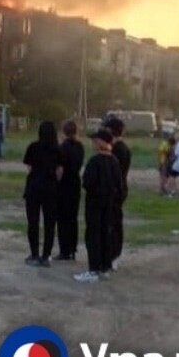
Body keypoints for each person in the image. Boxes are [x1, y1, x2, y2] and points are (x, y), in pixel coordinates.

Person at [75, 127, 123, 283]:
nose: (93, 143)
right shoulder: (114, 161)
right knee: (105, 233)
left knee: (93, 235)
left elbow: (87, 182)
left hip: (95, 202)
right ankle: (104, 266)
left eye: (95, 141)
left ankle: (94, 268)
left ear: (101, 142)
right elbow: (119, 184)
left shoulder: (95, 161)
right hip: (109, 202)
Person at [23, 120, 63, 267]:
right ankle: (46, 255)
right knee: (49, 223)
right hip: (51, 189)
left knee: (33, 222)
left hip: (34, 187)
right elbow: (60, 172)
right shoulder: (57, 150)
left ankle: (34, 254)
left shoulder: (33, 147)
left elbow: (29, 167)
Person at [55, 120, 85, 261]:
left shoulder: (62, 148)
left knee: (62, 218)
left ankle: (64, 250)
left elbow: (60, 169)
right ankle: (73, 248)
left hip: (64, 184)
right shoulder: (80, 147)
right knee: (73, 217)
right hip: (75, 182)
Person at [106, 117, 131, 269]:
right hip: (119, 188)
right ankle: (113, 253)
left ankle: (114, 254)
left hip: (116, 190)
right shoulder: (121, 147)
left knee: (114, 223)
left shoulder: (118, 149)